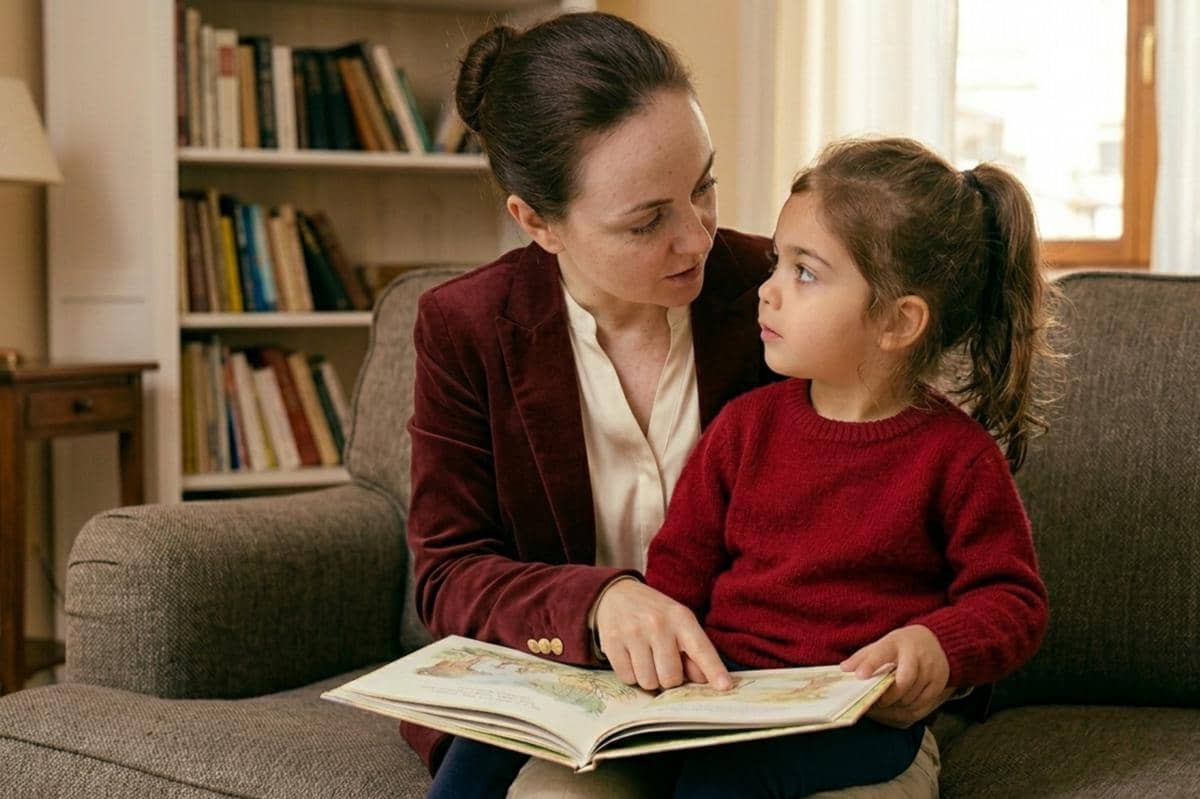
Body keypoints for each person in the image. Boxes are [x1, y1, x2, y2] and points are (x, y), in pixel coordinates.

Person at [407, 13, 944, 798]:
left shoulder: (790, 290)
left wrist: (939, 649)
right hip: (576, 708)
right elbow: (449, 569)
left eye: (703, 187)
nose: (695, 239)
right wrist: (600, 601)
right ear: (537, 221)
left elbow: (912, 477)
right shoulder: (465, 327)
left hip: (771, 705)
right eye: (647, 220)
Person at [641, 136, 1054, 797]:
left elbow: (1014, 601)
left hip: (860, 723)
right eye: (777, 264)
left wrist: (937, 642)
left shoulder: (956, 456)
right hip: (727, 702)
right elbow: (677, 572)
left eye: (803, 272)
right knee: (486, 758)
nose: (767, 291)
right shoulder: (743, 429)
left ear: (897, 322)